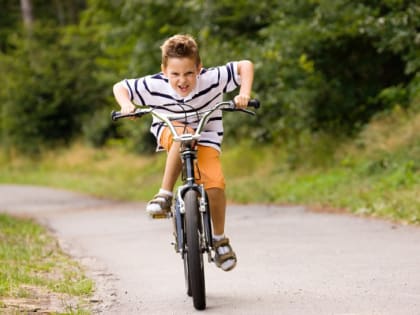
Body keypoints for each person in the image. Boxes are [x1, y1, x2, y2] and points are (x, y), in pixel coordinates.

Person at [113, 34, 254, 272]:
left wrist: (244, 93)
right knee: (182, 135)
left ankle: (219, 239)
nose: (182, 80)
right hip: (170, 130)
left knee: (216, 184)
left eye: (189, 73)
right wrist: (126, 105)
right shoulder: (154, 84)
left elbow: (245, 65)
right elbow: (121, 87)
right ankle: (164, 195)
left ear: (199, 68)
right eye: (175, 74)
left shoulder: (211, 79)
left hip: (206, 135)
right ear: (164, 70)